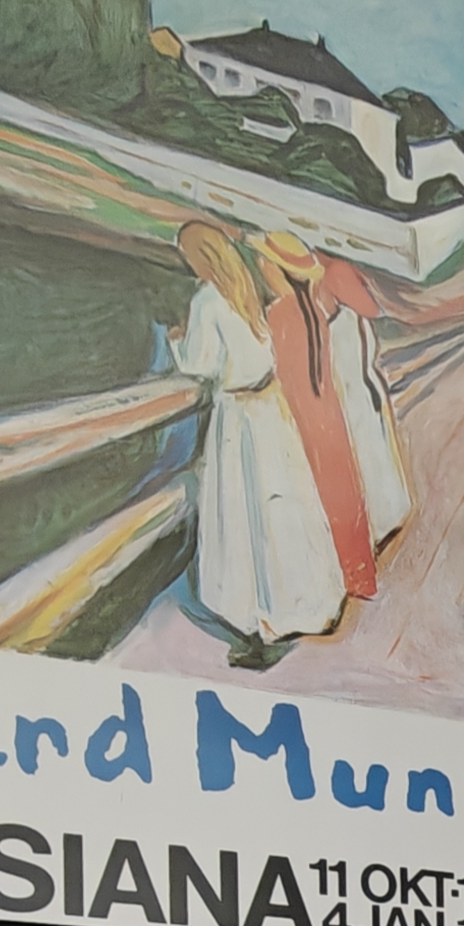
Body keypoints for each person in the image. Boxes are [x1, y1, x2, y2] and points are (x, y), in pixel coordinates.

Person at [172, 221, 344, 665]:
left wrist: (176, 344)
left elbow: (201, 364)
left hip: (239, 417)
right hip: (269, 409)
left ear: (201, 259)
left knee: (246, 519)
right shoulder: (246, 292)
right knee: (280, 513)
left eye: (188, 255)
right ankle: (298, 608)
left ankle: (258, 625)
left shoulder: (207, 300)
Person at [255, 233, 377, 603]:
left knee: (314, 498)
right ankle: (360, 575)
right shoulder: (311, 308)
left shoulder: (277, 314)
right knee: (344, 493)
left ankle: (331, 583)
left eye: (266, 262)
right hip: (327, 410)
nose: (261, 268)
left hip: (301, 417)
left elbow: (275, 372)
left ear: (278, 271)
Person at [318, 257, 414, 555]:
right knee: (369, 450)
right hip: (351, 384)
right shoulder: (335, 271)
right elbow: (373, 309)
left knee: (369, 450)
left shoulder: (329, 271)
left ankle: (381, 520)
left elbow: (370, 309)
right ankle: (384, 519)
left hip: (353, 384)